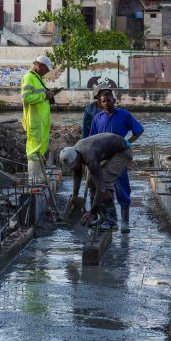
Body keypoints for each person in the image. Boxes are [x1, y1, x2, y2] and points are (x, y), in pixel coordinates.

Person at [89, 89, 144, 233]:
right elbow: (92, 139)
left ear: (114, 100)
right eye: (103, 101)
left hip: (119, 155)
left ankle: (125, 222)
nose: (106, 103)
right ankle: (108, 219)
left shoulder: (124, 115)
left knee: (121, 185)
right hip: (103, 156)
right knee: (102, 186)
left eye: (109, 100)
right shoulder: (97, 118)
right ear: (100, 103)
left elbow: (139, 130)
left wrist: (128, 143)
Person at [60, 133, 134, 231]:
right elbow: (77, 172)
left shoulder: (90, 157)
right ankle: (103, 218)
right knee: (91, 183)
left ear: (78, 158)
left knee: (105, 182)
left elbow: (101, 188)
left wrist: (92, 212)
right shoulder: (73, 153)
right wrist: (75, 195)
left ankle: (111, 222)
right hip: (110, 152)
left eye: (74, 165)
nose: (73, 168)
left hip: (123, 153)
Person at [21, 55, 59, 182]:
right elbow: (26, 98)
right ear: (39, 66)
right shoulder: (29, 78)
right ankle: (33, 179)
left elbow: (41, 95)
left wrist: (49, 94)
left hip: (41, 119)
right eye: (46, 69)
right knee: (33, 150)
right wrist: (44, 95)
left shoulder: (39, 78)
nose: (47, 71)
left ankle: (40, 177)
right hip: (34, 120)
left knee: (41, 149)